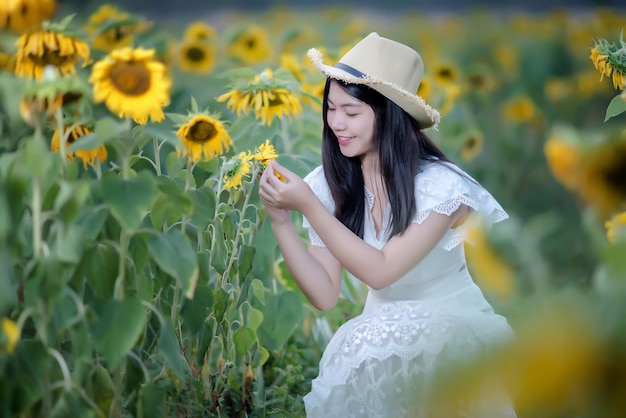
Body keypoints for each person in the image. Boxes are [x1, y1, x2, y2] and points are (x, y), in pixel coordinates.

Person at [258, 32, 517, 418]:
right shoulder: (331, 183)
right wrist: (282, 221)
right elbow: (325, 294)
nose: (336, 124)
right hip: (384, 334)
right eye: (330, 109)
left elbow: (381, 272)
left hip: (454, 329)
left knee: (362, 341)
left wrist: (309, 208)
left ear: (389, 114)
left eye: (351, 111)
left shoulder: (441, 188)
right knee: (366, 340)